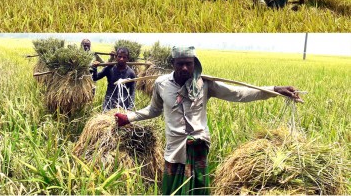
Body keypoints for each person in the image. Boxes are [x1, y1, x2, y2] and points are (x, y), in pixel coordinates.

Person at [115, 46, 300, 195]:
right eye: (180, 64)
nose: (185, 68)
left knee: (198, 188)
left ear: (195, 63)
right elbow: (154, 110)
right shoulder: (162, 84)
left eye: (189, 63)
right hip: (174, 147)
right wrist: (128, 117)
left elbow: (239, 93)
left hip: (198, 144)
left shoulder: (204, 84)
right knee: (172, 189)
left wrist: (274, 89)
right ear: (173, 63)